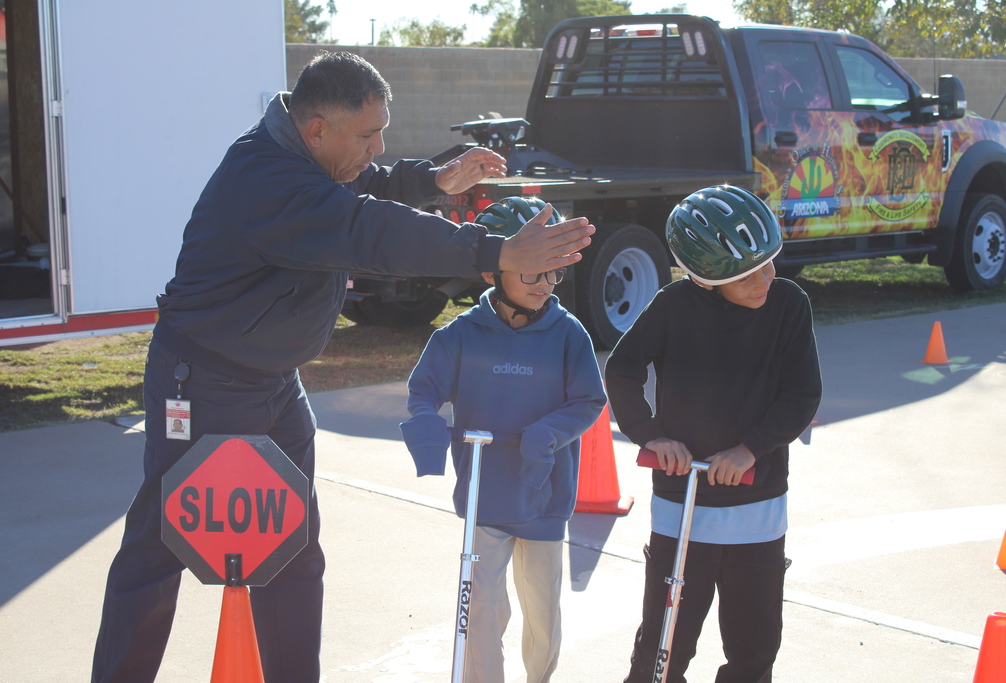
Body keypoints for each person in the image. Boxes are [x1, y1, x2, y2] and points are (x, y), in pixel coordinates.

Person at [90, 53, 594, 683]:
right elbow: (367, 229)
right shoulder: (266, 180)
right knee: (160, 547)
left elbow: (366, 187)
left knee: (294, 550)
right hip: (205, 382)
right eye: (367, 135)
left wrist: (435, 180)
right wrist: (493, 250)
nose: (378, 147)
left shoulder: (309, 158)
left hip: (274, 385)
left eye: (382, 130)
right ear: (317, 129)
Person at [604, 185, 822, 683]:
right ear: (706, 278)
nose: (766, 279)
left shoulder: (788, 304)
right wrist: (651, 436)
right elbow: (622, 371)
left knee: (754, 648)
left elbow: (802, 394)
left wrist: (751, 450)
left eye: (770, 263)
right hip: (682, 505)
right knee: (662, 649)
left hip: (758, 505)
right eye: (748, 275)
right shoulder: (673, 306)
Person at [399, 197, 606, 683]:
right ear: (494, 273)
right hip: (484, 497)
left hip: (544, 495)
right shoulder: (460, 336)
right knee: (481, 613)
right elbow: (422, 392)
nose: (545, 285)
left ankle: (540, 679)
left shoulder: (568, 334)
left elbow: (588, 402)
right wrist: (427, 428)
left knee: (543, 616)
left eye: (553, 273)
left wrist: (546, 434)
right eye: (533, 273)